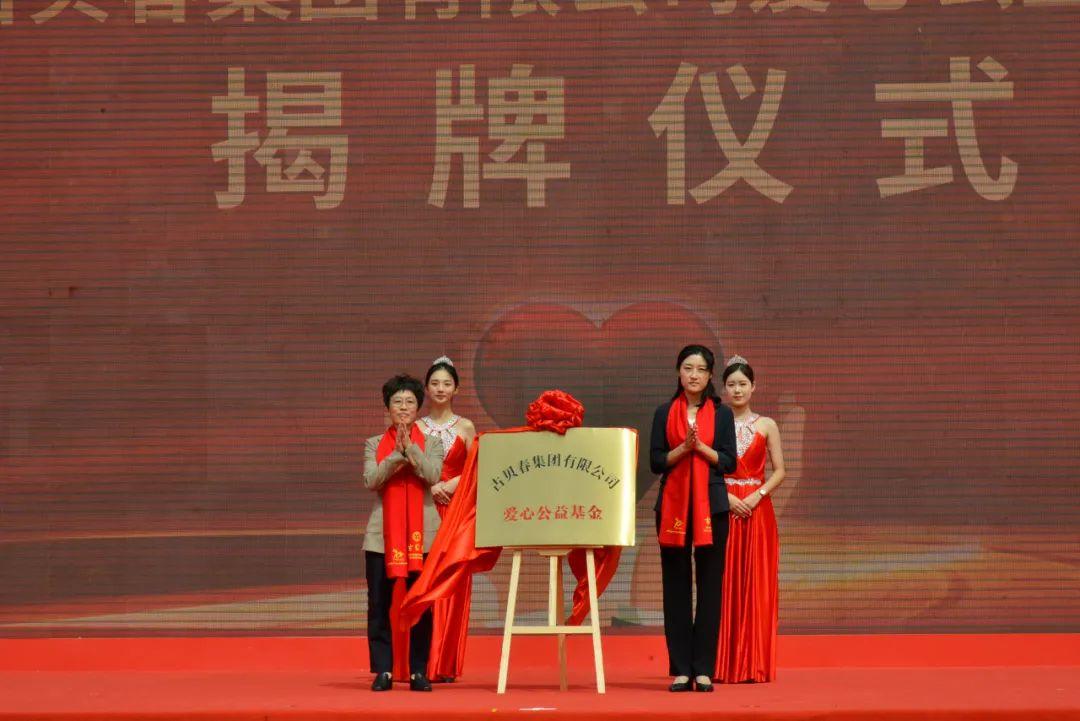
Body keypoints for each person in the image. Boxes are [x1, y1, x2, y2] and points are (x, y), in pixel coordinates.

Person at [650, 344, 737, 692]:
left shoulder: (722, 414)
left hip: (711, 506)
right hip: (672, 506)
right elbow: (656, 461)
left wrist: (700, 448)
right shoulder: (663, 412)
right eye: (688, 368)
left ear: (710, 375)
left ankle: (703, 668)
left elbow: (729, 461)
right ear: (678, 372)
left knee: (710, 586)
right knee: (676, 587)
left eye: (701, 369)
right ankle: (681, 669)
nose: (694, 375)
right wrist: (682, 448)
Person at [363, 374, 444, 692]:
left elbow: (432, 475)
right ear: (387, 407)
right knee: (378, 604)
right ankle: (383, 670)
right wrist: (396, 454)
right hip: (381, 537)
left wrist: (411, 449)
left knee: (421, 604)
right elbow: (371, 480)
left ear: (418, 408)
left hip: (423, 535)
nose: (404, 407)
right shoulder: (374, 443)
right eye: (397, 402)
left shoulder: (432, 443)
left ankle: (418, 671)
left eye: (410, 402)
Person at [716, 356, 785, 683]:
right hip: (725, 507)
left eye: (743, 384)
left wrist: (758, 495)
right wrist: (727, 498)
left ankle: (754, 663)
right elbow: (708, 469)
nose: (737, 390)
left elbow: (780, 470)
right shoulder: (715, 424)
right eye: (731, 384)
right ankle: (722, 664)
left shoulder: (767, 424)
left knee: (756, 583)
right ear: (724, 389)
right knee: (723, 582)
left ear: (754, 387)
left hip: (758, 512)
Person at [417, 356, 476, 682]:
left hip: (454, 511)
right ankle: (420, 663)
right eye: (435, 383)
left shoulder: (465, 427)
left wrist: (451, 484)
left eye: (447, 384)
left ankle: (444, 662)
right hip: (423, 510)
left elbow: (477, 469)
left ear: (456, 389)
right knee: (422, 580)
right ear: (426, 389)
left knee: (451, 582)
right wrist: (431, 485)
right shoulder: (416, 427)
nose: (440, 389)